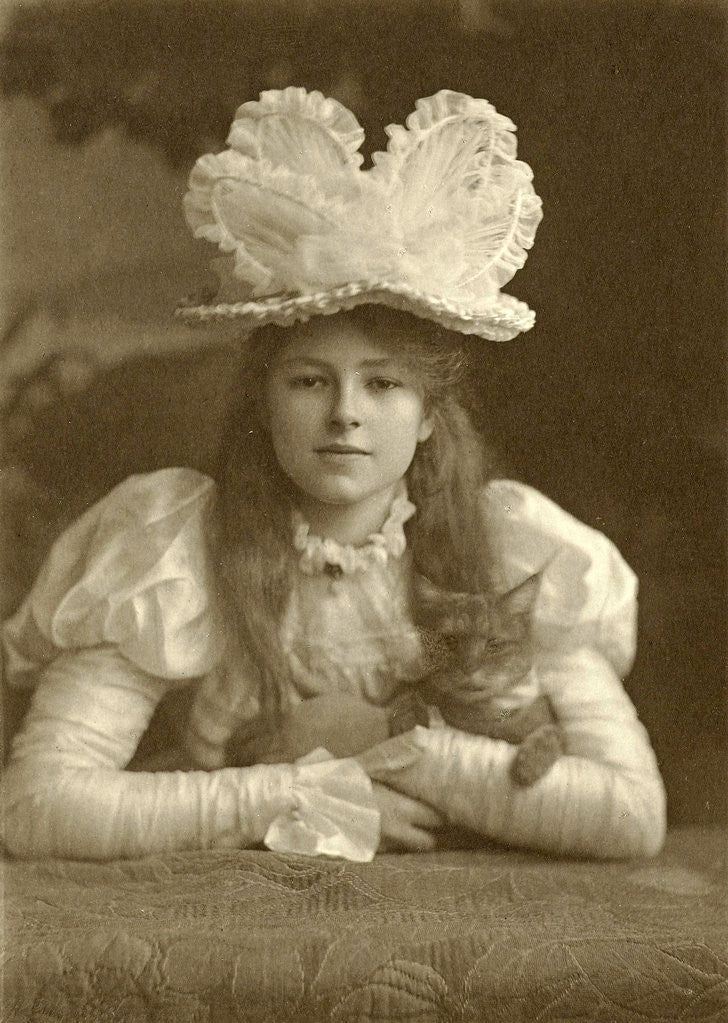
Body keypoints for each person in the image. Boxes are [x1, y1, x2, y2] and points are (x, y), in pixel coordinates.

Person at [1, 87, 666, 862]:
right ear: (266, 404)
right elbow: (39, 806)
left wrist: (391, 750)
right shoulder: (174, 545)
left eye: (383, 385)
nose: (346, 413)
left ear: (426, 416)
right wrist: (306, 794)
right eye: (310, 380)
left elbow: (630, 813)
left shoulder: (510, 542)